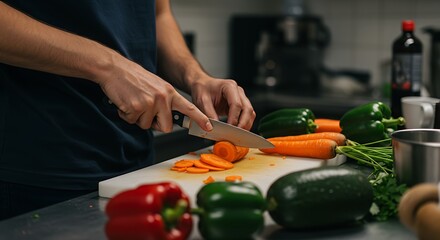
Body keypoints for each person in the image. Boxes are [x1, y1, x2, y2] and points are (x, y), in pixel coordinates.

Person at [0, 0, 256, 220]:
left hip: (136, 166)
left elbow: (157, 14)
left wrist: (195, 76)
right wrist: (108, 66)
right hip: (37, 170)